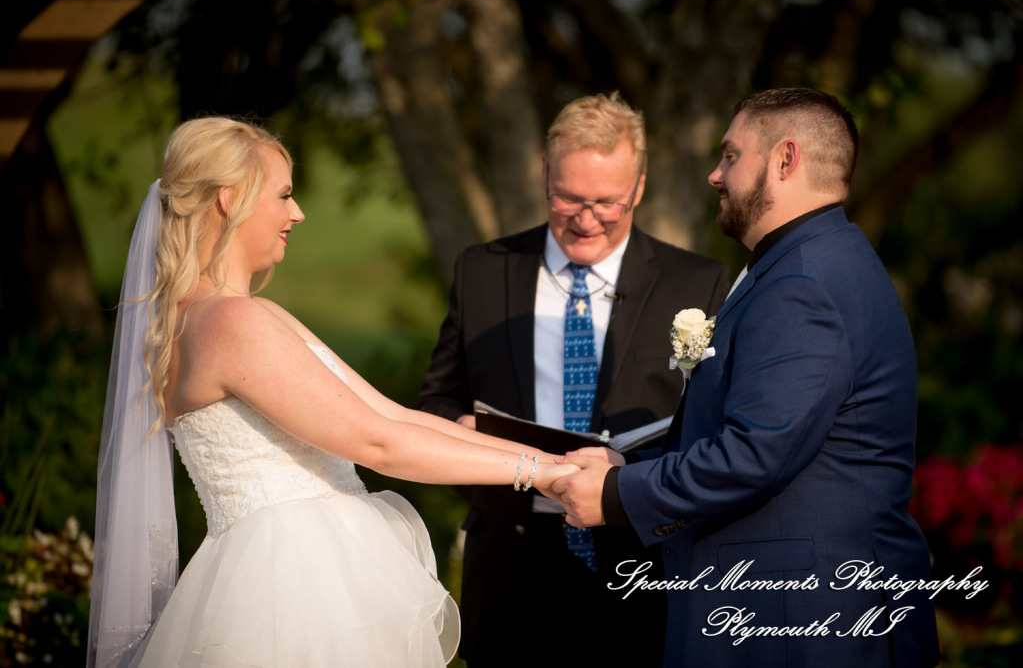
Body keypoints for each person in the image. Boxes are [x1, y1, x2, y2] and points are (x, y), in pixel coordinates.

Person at [86, 116, 578, 668]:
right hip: (297, 585)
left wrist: (553, 461)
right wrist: (542, 476)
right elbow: (379, 444)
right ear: (229, 199)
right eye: (284, 195)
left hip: (283, 569)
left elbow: (392, 415)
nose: (297, 213)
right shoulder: (229, 323)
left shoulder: (222, 317)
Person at [554, 88, 940, 667]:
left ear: (785, 160)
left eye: (731, 156)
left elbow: (756, 454)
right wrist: (628, 465)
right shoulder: (810, 261)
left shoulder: (804, 283)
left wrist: (615, 496)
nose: (715, 174)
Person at [417, 91, 730, 666]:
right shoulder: (484, 270)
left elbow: (714, 428)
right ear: (543, 174)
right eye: (567, 198)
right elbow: (438, 397)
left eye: (607, 202)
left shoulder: (698, 284)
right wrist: (458, 433)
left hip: (641, 560)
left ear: (638, 187)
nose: (586, 220)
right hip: (510, 566)